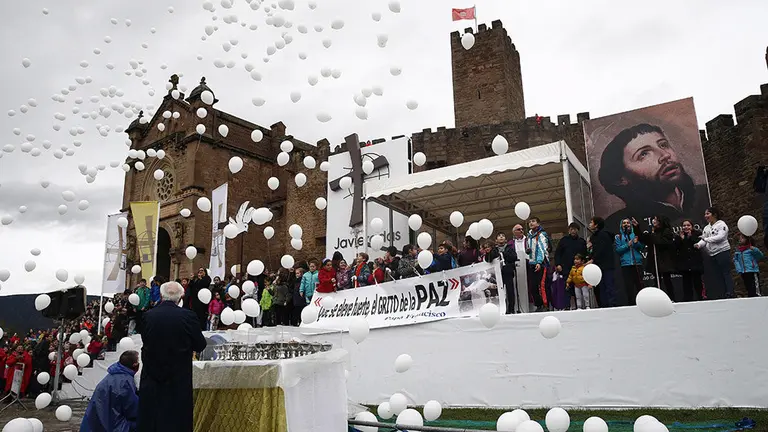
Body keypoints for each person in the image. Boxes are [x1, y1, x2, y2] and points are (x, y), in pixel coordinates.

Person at [598, 123, 711, 230]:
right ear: (621, 179)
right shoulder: (615, 224)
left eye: (663, 145)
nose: (665, 155)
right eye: (644, 154)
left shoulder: (707, 194)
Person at [137, 281, 207, 432]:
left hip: (152, 375)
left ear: (161, 295)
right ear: (181, 296)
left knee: (151, 419)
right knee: (177, 420)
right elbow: (200, 344)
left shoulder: (148, 316)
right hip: (178, 378)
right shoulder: (188, 316)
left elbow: (145, 339)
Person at [80, 350, 140, 432]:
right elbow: (132, 409)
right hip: (114, 426)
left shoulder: (112, 376)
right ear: (134, 364)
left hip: (95, 424)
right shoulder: (125, 382)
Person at [696, 207, 736, 298]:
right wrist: (698, 244)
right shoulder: (707, 228)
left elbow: (720, 237)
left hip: (722, 251)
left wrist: (706, 239)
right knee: (717, 274)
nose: (705, 216)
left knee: (726, 272)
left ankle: (730, 292)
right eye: (705, 214)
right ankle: (721, 293)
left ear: (714, 215)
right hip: (712, 254)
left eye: (708, 214)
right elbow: (703, 239)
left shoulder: (721, 224)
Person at [555, 223, 588, 309]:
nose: (573, 231)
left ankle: (580, 306)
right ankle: (567, 306)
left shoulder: (582, 242)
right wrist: (558, 264)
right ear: (569, 230)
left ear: (578, 230)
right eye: (571, 229)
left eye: (574, 229)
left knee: (580, 289)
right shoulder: (564, 240)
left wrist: (585, 265)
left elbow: (585, 255)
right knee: (567, 288)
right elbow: (557, 253)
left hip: (579, 270)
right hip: (566, 269)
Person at [615, 218, 645, 306]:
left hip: (637, 263)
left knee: (640, 284)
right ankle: (631, 304)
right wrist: (627, 245)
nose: (626, 224)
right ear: (621, 225)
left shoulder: (635, 234)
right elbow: (618, 250)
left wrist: (636, 243)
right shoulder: (618, 237)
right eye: (624, 223)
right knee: (629, 286)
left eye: (628, 223)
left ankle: (642, 303)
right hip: (626, 264)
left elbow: (641, 247)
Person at [588, 216, 617, 307]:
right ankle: (603, 306)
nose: (589, 224)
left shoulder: (604, 235)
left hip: (606, 265)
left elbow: (602, 249)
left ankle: (612, 305)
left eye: (591, 222)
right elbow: (595, 250)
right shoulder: (593, 237)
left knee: (609, 286)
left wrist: (593, 259)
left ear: (596, 225)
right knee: (601, 287)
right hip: (598, 266)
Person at [674, 219, 704, 302]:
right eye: (684, 225)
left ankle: (700, 297)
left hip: (695, 263)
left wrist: (690, 238)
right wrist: (682, 239)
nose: (686, 227)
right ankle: (688, 299)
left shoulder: (697, 234)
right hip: (685, 264)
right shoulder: (678, 236)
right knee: (686, 283)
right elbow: (676, 248)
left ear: (692, 226)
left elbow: (697, 245)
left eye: (688, 225)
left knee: (697, 282)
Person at [525, 217, 550, 311]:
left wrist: (539, 262)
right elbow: (531, 250)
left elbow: (542, 249)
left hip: (541, 263)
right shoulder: (529, 236)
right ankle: (539, 305)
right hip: (531, 263)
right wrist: (527, 252)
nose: (531, 223)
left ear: (538, 224)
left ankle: (545, 305)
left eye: (533, 221)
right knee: (532, 286)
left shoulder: (541, 234)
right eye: (529, 222)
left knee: (541, 285)